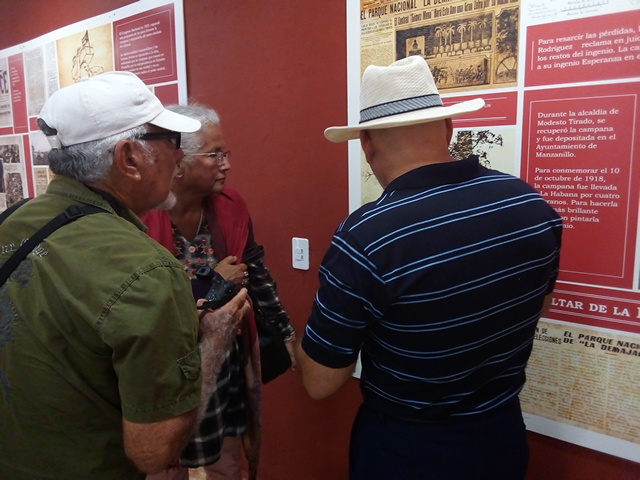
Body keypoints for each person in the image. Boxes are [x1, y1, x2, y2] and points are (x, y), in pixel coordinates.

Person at [296, 55, 563, 480]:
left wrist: (294, 341)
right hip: (503, 437)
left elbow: (320, 382)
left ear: (367, 144)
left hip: (408, 449)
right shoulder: (529, 205)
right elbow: (540, 304)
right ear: (448, 128)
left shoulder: (368, 236)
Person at [0, 72, 251, 479]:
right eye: (170, 142)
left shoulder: (11, 222)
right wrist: (214, 342)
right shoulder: (147, 270)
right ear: (129, 158)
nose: (177, 155)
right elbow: (153, 451)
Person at [141, 103, 296, 480]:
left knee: (226, 459)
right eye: (215, 155)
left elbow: (254, 267)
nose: (226, 164)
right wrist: (217, 283)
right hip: (166, 365)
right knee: (163, 464)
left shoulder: (230, 205)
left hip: (226, 356)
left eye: (225, 153)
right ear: (178, 161)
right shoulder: (139, 217)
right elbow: (144, 301)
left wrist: (285, 331)